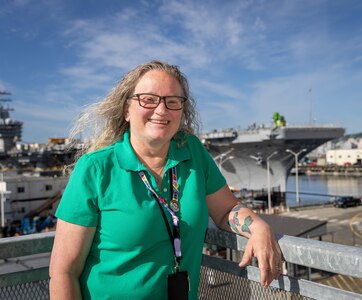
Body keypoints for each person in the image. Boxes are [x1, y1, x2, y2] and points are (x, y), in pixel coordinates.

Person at [49, 60, 283, 299]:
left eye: (172, 102)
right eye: (148, 99)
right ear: (126, 110)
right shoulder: (96, 168)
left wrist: (259, 227)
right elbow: (63, 272)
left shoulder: (192, 151)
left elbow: (226, 210)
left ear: (182, 111)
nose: (161, 110)